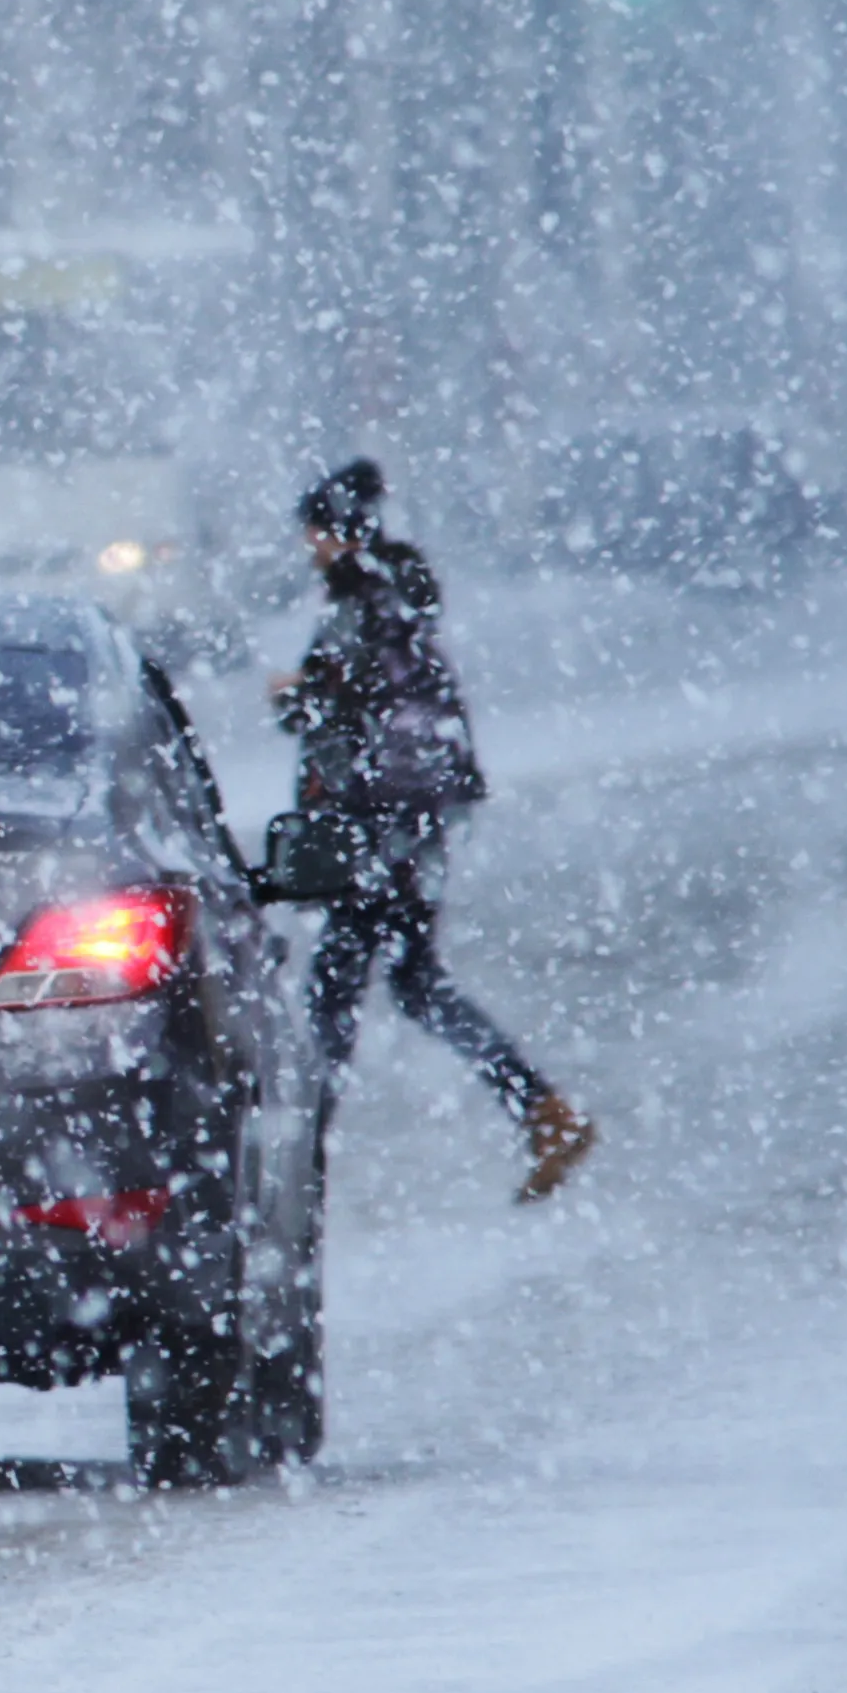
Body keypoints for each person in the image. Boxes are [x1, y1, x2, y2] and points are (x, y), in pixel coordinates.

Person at [273, 460, 597, 1200]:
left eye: (315, 532)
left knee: (335, 996)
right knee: (411, 983)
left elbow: (345, 715)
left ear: (337, 534)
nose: (308, 547)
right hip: (412, 826)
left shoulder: (362, 608)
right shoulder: (396, 601)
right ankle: (542, 1111)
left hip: (377, 828)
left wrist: (298, 699)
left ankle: (298, 1168)